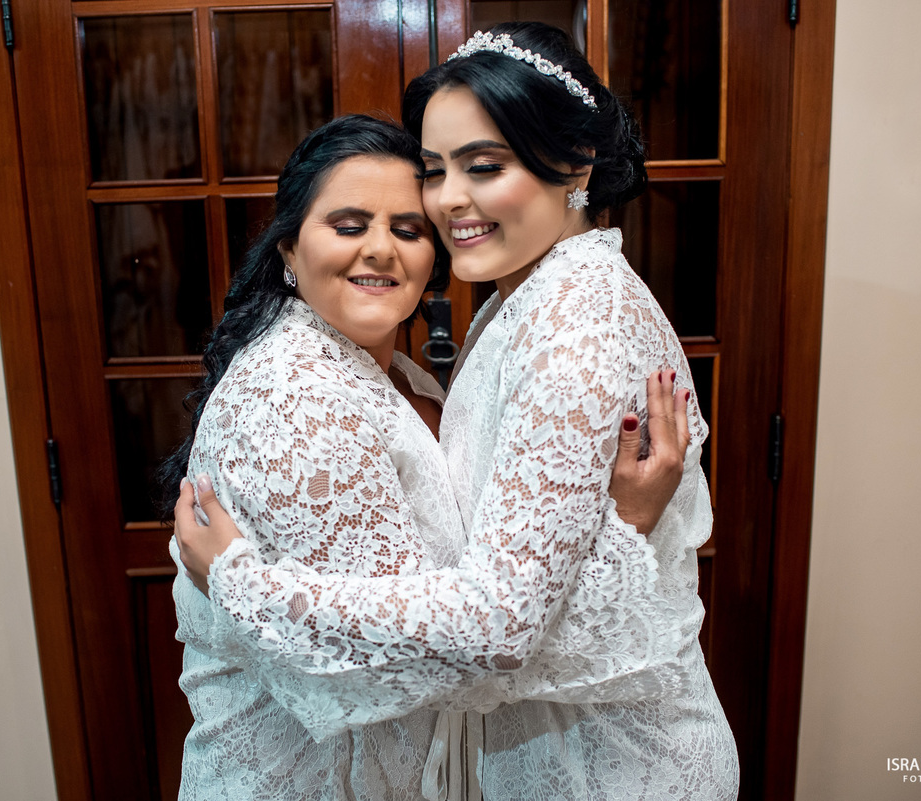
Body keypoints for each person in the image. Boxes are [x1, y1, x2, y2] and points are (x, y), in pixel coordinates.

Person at [175, 21, 739, 801]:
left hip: (608, 767)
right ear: (287, 252)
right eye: (437, 171)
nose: (450, 203)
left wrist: (243, 587)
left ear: (575, 163)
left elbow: (497, 626)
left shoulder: (576, 321)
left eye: (484, 166)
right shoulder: (516, 301)